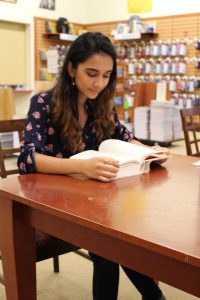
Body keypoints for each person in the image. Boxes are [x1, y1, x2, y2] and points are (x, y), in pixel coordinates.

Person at [18, 32, 168, 300]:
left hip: (95, 201)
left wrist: (150, 152)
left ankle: (154, 297)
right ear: (71, 68)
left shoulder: (101, 104)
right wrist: (84, 168)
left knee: (122, 232)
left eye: (107, 75)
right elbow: (27, 159)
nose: (99, 83)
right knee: (110, 242)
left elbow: (124, 137)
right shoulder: (43, 103)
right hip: (53, 202)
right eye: (91, 73)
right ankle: (155, 297)